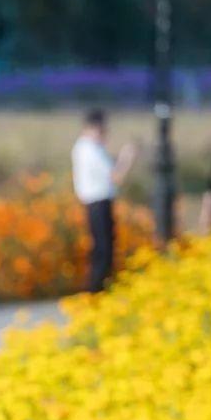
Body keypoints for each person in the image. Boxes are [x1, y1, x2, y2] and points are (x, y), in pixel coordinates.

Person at [71, 109, 137, 293]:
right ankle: (97, 290)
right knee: (103, 248)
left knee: (103, 246)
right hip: (98, 201)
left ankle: (100, 288)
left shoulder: (85, 148)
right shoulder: (90, 149)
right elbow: (116, 176)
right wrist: (127, 157)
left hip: (96, 201)